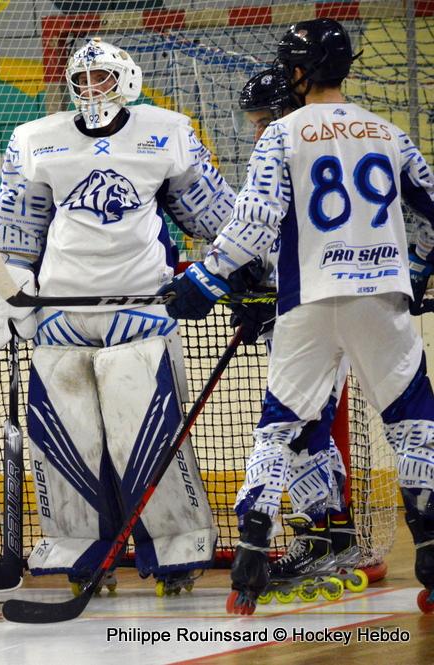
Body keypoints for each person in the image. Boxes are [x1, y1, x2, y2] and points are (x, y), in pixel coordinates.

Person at [160, 18, 434, 615]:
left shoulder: (282, 135)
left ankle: (251, 565)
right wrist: (418, 265)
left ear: (298, 73)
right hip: (381, 300)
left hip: (308, 302)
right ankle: (432, 563)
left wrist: (207, 278)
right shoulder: (389, 131)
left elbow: (255, 222)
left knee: (278, 428)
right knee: (413, 423)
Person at [0, 37, 235, 602]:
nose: (92, 89)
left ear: (127, 79)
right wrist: (11, 298)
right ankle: (79, 553)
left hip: (140, 312)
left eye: (102, 77)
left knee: (148, 440)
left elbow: (215, 215)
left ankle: (177, 552)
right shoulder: (34, 140)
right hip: (62, 318)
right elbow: (16, 236)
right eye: (83, 79)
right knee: (63, 441)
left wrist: (248, 266)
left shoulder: (167, 130)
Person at [230, 67, 367, 602]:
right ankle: (331, 533)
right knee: (308, 424)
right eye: (256, 123)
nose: (260, 131)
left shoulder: (300, 155)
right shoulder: (283, 155)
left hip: (320, 310)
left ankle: (321, 534)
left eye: (266, 119)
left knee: (299, 426)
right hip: (299, 312)